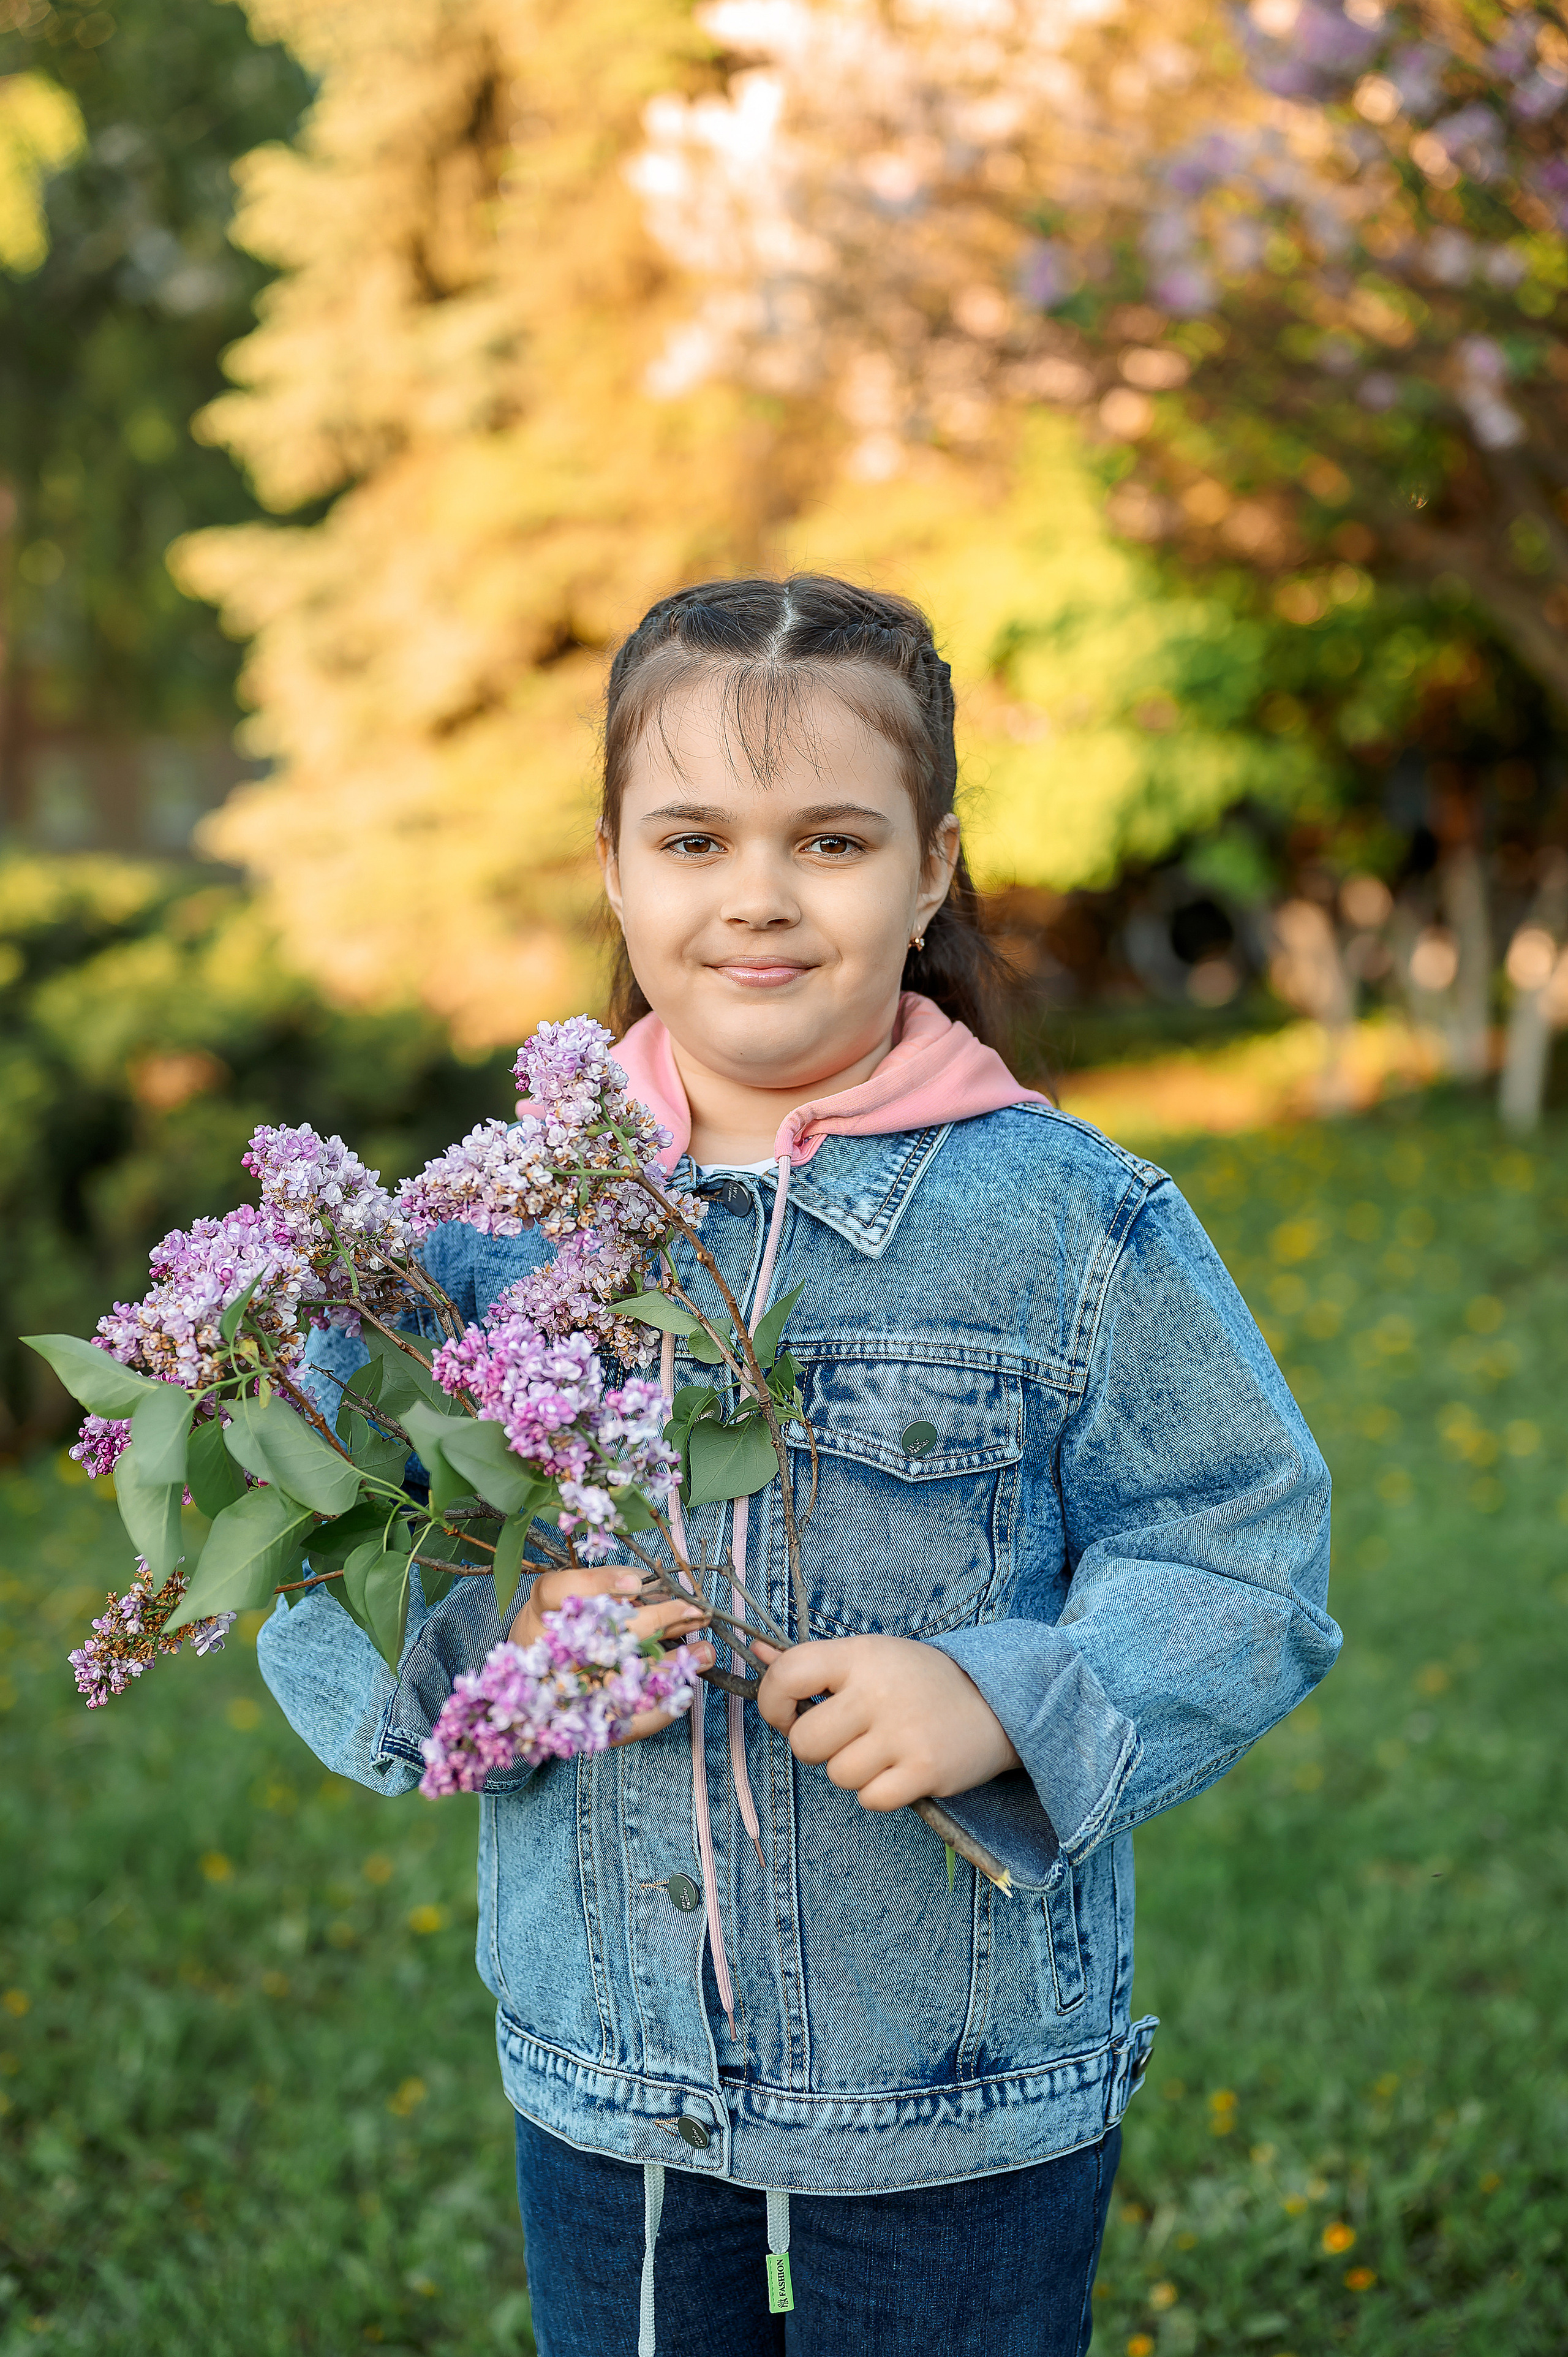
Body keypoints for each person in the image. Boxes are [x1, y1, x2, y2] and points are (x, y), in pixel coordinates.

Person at [258, 574, 1340, 2356]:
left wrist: (1012, 1697)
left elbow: (1243, 1545)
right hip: (616, 2092)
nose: (757, 896)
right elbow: (325, 1541)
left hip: (957, 2102)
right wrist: (497, 1644)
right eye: (693, 838)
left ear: (931, 873)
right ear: (615, 869)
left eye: (829, 840)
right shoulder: (464, 1246)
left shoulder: (1068, 1224)